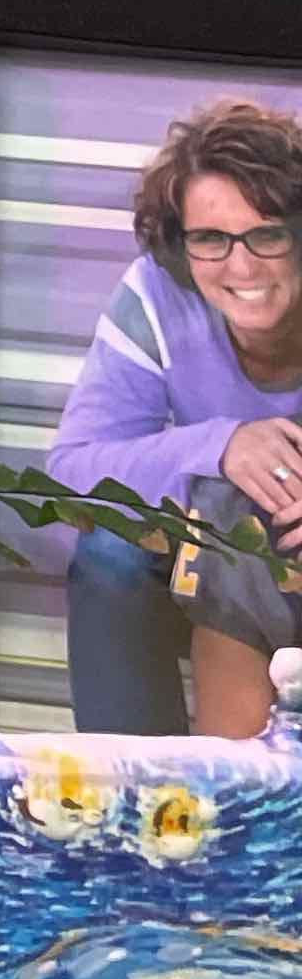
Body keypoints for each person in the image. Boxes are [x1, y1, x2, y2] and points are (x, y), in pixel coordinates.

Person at [53, 97, 302, 737]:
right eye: (211, 239)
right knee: (113, 552)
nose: (242, 266)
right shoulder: (157, 296)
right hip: (220, 549)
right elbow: (72, 473)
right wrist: (220, 447)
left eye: (268, 233)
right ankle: (136, 780)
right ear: (179, 246)